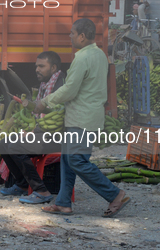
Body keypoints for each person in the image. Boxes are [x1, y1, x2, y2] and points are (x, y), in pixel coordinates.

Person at [34, 18, 130, 218]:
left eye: (72, 33)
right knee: (68, 161)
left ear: (82, 36)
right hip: (86, 116)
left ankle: (115, 194)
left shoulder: (82, 57)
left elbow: (70, 90)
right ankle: (62, 203)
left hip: (81, 118)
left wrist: (46, 101)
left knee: (77, 161)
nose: (70, 37)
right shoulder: (100, 55)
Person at [0, 51, 65, 204]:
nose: (37, 69)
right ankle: (22, 185)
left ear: (54, 67)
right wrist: (32, 132)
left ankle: (41, 190)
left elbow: (57, 119)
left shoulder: (61, 87)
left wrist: (35, 133)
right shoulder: (45, 85)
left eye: (42, 66)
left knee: (16, 147)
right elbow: (42, 118)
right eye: (36, 66)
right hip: (42, 133)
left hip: (56, 137)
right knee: (4, 143)